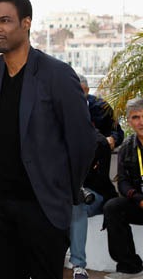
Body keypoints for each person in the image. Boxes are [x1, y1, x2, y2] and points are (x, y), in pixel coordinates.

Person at [0, 0, 95, 279]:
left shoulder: (57, 74)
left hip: (44, 207)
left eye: (5, 20)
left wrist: (63, 191)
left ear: (26, 23)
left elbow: (83, 142)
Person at [69, 74, 123, 279]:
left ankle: (78, 266)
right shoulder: (60, 142)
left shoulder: (98, 143)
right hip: (69, 192)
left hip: (94, 193)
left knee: (76, 205)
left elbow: (99, 181)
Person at [103, 97, 143, 276]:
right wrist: (138, 199)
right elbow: (123, 182)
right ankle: (129, 266)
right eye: (135, 117)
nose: (141, 122)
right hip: (140, 202)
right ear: (129, 121)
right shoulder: (127, 146)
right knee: (113, 208)